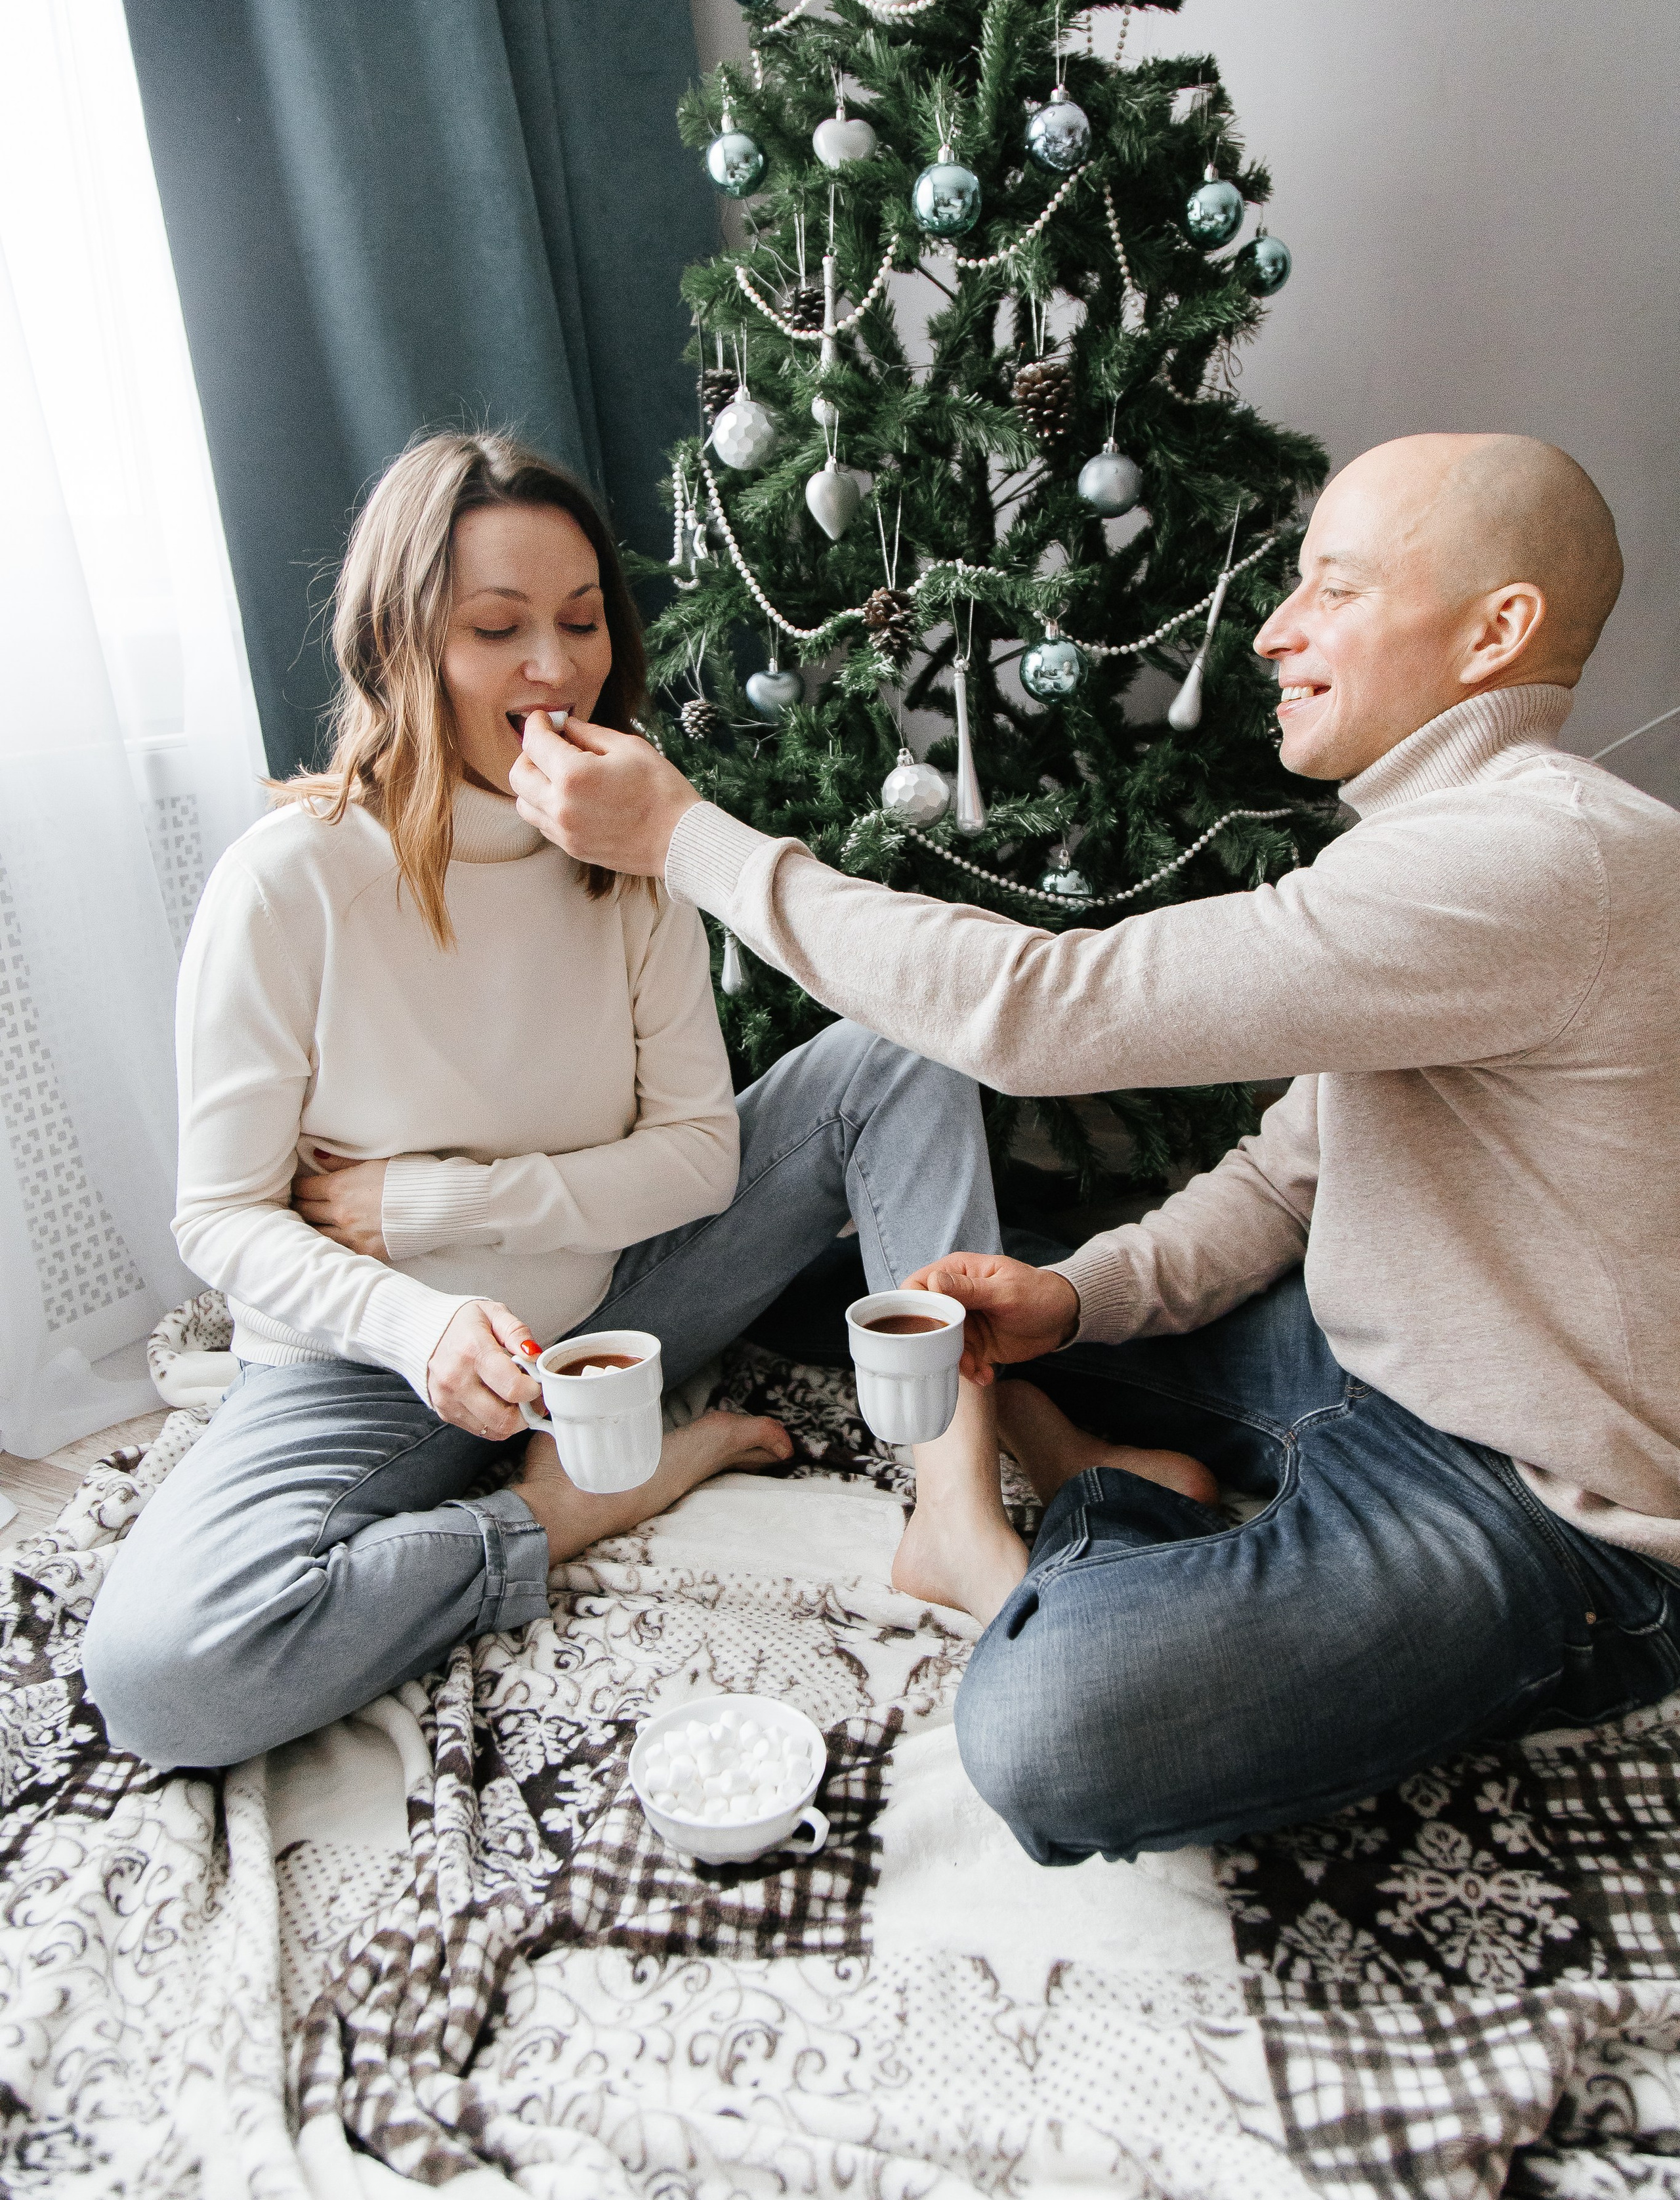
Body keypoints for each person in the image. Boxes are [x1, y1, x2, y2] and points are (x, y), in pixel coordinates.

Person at [508, 431, 1680, 1865]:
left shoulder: (1536, 856)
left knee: (1051, 1725)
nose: (1271, 628)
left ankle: (1117, 1517)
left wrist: (685, 839)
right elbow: (1285, 1172)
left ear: (1497, 631)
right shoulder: (1429, 855)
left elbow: (1039, 1013)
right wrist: (1075, 1300)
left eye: (1336, 589)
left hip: (1530, 1507)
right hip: (1350, 1368)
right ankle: (1125, 1472)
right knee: (874, 1302)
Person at [82, 432, 1011, 1771]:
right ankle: (559, 1510)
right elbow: (224, 1220)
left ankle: (955, 1506)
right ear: (402, 647)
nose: (555, 668)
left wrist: (438, 1201)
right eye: (496, 629)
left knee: (906, 1050)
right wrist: (419, 1318)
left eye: (580, 623)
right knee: (164, 1680)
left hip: (625, 1302)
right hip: (368, 1365)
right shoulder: (288, 882)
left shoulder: (628, 849)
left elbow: (698, 1161)